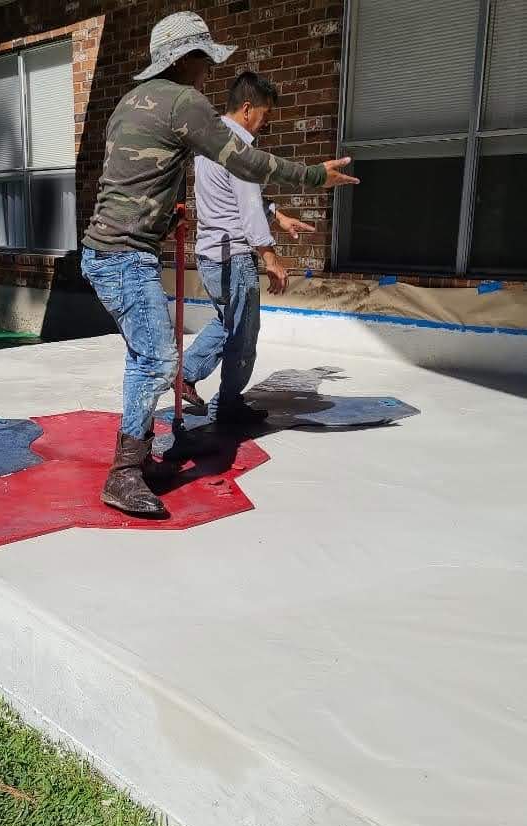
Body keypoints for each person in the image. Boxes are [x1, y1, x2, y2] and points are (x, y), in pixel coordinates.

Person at [81, 11, 358, 518]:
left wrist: (167, 209)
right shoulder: (185, 101)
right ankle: (123, 475)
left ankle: (136, 463)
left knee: (144, 358)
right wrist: (315, 175)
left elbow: (132, 174)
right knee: (159, 361)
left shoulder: (129, 102)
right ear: (187, 60)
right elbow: (246, 163)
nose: (209, 72)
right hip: (124, 257)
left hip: (105, 250)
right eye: (206, 60)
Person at [181, 71, 316, 423]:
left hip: (210, 255)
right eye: (265, 115)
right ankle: (227, 405)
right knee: (243, 334)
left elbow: (235, 197)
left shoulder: (210, 144)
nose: (265, 123)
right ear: (246, 108)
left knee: (228, 323)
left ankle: (185, 373)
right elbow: (248, 209)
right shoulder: (240, 149)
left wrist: (280, 216)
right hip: (235, 259)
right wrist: (271, 258)